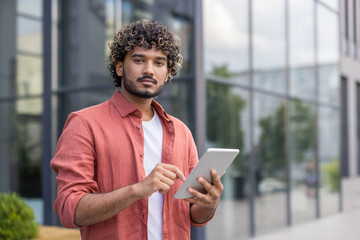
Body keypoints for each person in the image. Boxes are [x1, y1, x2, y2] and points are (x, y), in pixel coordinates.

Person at [50, 20, 223, 240]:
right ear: (120, 66)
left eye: (159, 63)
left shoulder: (181, 132)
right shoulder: (84, 124)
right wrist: (138, 190)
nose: (149, 70)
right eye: (139, 60)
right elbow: (69, 209)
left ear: (168, 72)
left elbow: (192, 215)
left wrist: (209, 203)